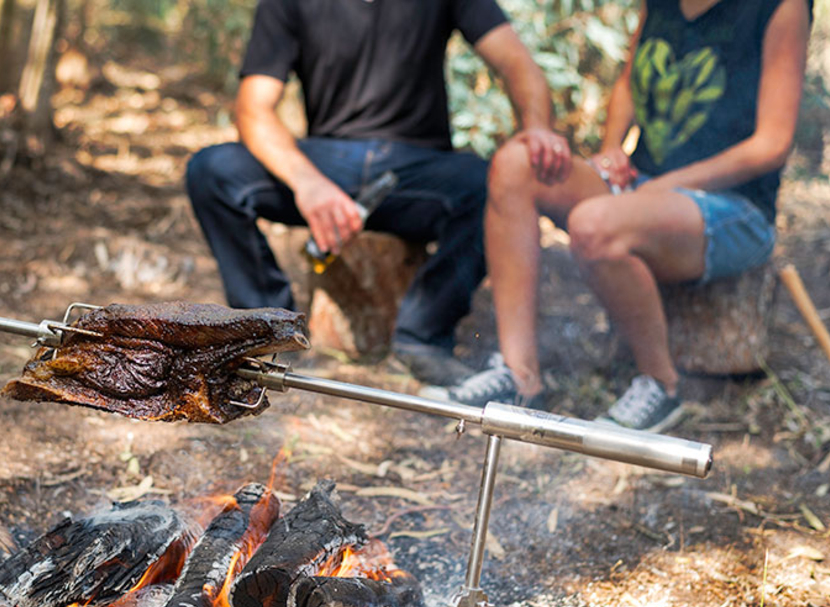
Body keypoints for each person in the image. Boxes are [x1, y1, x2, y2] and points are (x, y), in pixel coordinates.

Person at [424, 0, 813, 432]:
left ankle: (661, 385)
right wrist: (612, 148)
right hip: (645, 186)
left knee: (595, 224)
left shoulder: (781, 7)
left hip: (734, 208)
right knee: (516, 165)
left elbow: (772, 144)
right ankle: (519, 375)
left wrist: (669, 184)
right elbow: (629, 81)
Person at [185, 0, 572, 387]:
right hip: (325, 163)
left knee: (498, 186)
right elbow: (253, 110)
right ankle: (269, 331)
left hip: (420, 172)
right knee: (211, 171)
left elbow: (517, 63)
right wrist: (308, 183)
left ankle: (424, 334)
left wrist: (538, 127)